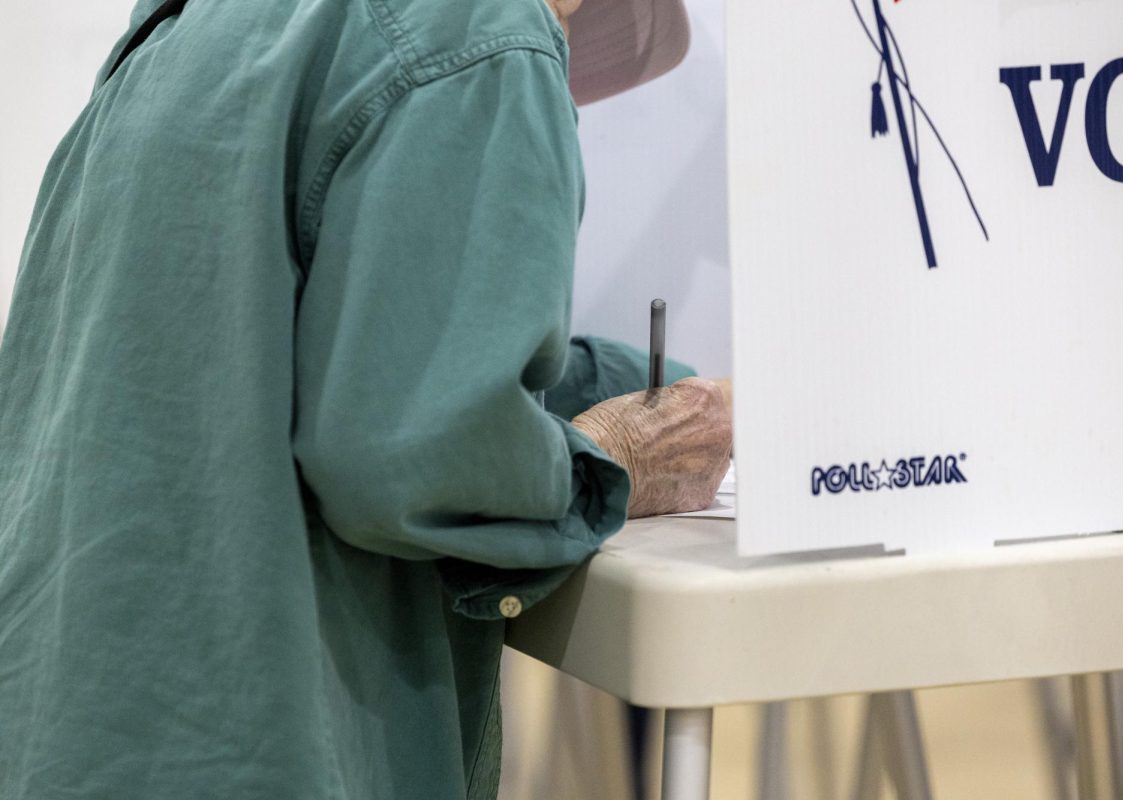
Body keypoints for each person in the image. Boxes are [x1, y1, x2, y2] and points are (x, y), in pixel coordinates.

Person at [0, 0, 731, 797]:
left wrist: (601, 385)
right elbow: (419, 461)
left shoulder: (204, 25)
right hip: (256, 748)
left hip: (74, 717)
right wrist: (614, 456)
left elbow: (260, 344)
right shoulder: (482, 29)